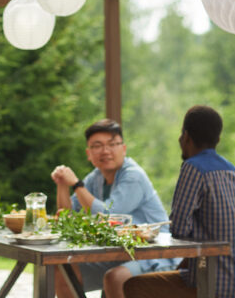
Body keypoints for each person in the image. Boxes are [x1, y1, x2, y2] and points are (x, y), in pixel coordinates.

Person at [124, 105, 235, 298]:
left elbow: (179, 231)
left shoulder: (193, 168)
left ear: (186, 136)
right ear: (218, 139)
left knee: (133, 286)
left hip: (217, 284)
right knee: (173, 275)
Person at [50, 119, 178, 298]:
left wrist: (77, 185)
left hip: (153, 254)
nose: (105, 151)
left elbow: (109, 216)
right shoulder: (96, 177)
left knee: (115, 277)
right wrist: (62, 184)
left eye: (112, 144)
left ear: (123, 149)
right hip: (118, 254)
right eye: (97, 145)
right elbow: (66, 218)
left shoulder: (133, 175)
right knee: (62, 269)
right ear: (89, 153)